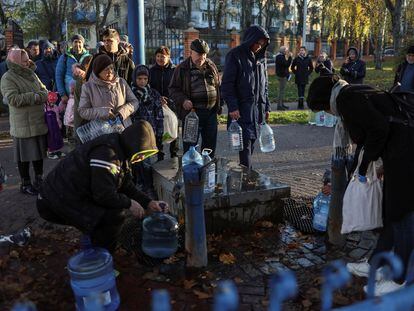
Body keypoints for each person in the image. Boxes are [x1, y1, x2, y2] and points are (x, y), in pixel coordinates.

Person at [307, 75, 414, 296]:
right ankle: (379, 263)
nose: (327, 114)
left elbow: (378, 130)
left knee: (403, 214)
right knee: (391, 211)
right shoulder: (351, 91)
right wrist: (361, 164)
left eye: (323, 109)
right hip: (400, 149)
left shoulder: (347, 100)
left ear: (326, 101)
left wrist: (365, 166)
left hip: (406, 151)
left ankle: (398, 278)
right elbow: (370, 134)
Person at [37, 120, 167, 251]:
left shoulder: (119, 148)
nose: (142, 158)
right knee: (113, 216)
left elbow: (126, 186)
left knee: (112, 211)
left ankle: (96, 244)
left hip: (71, 194)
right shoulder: (107, 154)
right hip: (53, 200)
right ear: (133, 143)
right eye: (141, 153)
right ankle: (102, 257)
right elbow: (103, 195)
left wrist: (148, 202)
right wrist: (129, 203)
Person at [221, 25, 271, 168]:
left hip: (258, 111)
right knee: (245, 148)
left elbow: (265, 85)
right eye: (257, 43)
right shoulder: (235, 55)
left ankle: (246, 175)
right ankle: (247, 180)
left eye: (262, 44)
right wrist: (233, 107)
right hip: (242, 111)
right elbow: (227, 85)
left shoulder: (261, 59)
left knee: (251, 145)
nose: (259, 47)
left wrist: (266, 107)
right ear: (250, 39)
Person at [1, 48, 48, 195]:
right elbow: (13, 99)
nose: (28, 62)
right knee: (24, 156)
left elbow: (44, 91)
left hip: (38, 120)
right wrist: (35, 97)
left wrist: (41, 95)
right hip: (23, 123)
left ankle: (39, 180)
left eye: (28, 59)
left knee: (38, 154)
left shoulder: (31, 73)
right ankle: (25, 183)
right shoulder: (8, 78)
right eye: (24, 60)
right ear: (15, 61)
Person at [169, 39, 221, 157]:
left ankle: (207, 172)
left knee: (209, 148)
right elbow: (173, 89)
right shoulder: (182, 68)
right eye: (198, 54)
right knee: (190, 148)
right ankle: (191, 173)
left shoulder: (211, 66)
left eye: (204, 54)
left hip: (211, 113)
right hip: (192, 114)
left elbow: (218, 86)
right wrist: (183, 100)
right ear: (190, 52)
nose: (201, 58)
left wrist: (219, 104)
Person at [78, 54, 138, 125]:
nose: (110, 71)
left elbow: (134, 102)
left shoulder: (121, 82)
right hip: (101, 131)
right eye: (106, 69)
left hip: (124, 129)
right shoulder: (88, 87)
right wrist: (103, 113)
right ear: (98, 71)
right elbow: (83, 111)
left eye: (112, 68)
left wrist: (122, 112)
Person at [149, 46, 178, 159]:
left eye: (163, 56)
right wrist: (157, 99)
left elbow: (177, 87)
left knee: (173, 127)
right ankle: (160, 154)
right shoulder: (151, 71)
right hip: (156, 104)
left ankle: (174, 153)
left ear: (168, 57)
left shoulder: (174, 70)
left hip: (172, 104)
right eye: (158, 56)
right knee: (158, 129)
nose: (160, 59)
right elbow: (149, 88)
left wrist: (169, 100)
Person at [132, 65, 164, 160]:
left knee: (148, 160)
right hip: (134, 132)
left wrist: (159, 132)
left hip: (150, 132)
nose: (142, 81)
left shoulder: (153, 94)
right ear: (134, 78)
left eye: (145, 79)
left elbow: (159, 115)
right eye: (139, 78)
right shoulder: (129, 94)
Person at [55, 34, 90, 107]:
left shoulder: (89, 57)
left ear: (83, 44)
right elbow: (59, 76)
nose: (77, 44)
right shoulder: (65, 57)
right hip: (69, 96)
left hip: (86, 95)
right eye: (75, 42)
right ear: (72, 44)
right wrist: (62, 94)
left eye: (80, 42)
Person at [275, 46, 292, 111]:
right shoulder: (280, 57)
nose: (287, 52)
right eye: (286, 51)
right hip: (281, 76)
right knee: (281, 91)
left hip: (282, 75)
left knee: (282, 91)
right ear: (283, 51)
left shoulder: (280, 56)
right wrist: (290, 57)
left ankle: (282, 104)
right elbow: (286, 64)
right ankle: (279, 106)